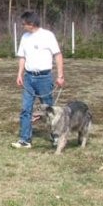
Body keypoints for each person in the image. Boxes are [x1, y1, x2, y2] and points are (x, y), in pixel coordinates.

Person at [12, 11, 65, 149]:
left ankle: (56, 137)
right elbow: (22, 57)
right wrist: (19, 74)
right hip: (29, 78)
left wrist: (60, 76)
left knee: (50, 110)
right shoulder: (25, 37)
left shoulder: (48, 36)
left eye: (24, 24)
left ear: (32, 24)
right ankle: (25, 140)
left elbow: (58, 56)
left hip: (44, 78)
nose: (22, 26)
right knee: (25, 109)